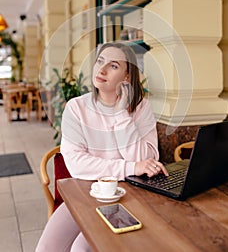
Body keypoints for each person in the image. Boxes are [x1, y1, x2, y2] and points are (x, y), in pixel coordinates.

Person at [36, 42, 168, 252]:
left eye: (113, 66)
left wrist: (121, 114)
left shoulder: (141, 108)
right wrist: (131, 168)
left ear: (126, 77)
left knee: (82, 248)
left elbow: (147, 157)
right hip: (84, 193)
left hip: (130, 197)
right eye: (100, 61)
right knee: (46, 247)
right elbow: (78, 165)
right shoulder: (76, 108)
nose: (102, 69)